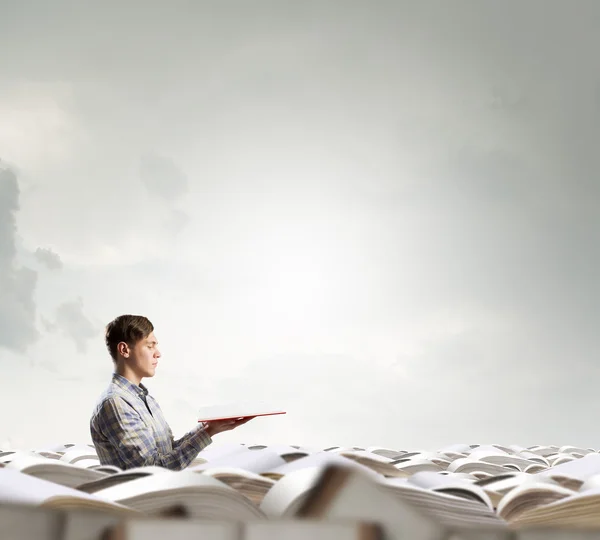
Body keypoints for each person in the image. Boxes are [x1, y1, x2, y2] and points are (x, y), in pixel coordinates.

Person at [90, 314, 252, 470]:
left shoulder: (145, 399)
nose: (158, 353)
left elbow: (167, 454)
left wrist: (209, 427)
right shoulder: (116, 403)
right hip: (147, 497)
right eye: (150, 345)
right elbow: (152, 469)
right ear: (124, 350)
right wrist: (208, 432)